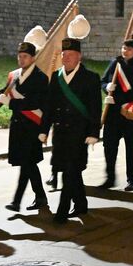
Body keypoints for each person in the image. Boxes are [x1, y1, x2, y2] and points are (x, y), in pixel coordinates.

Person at [39, 36, 101, 222]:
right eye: (64, 54)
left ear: (79, 57)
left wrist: (93, 132)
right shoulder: (56, 77)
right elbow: (49, 106)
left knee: (69, 171)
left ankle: (62, 210)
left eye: (71, 55)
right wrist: (44, 129)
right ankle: (81, 204)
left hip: (79, 133)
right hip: (60, 134)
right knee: (71, 171)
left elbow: (95, 108)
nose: (66, 58)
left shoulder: (90, 78)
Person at [0, 41, 49, 214]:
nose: (21, 60)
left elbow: (34, 102)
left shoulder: (40, 77)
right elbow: (3, 91)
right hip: (18, 127)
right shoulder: (14, 76)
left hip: (31, 126)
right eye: (19, 56)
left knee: (27, 163)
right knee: (26, 163)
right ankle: (37, 197)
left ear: (33, 58)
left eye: (25, 57)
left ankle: (19, 200)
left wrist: (11, 102)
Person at [101, 39, 133, 191]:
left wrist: (118, 99)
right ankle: (110, 178)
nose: (125, 51)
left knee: (132, 148)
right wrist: (106, 87)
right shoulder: (115, 63)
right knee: (109, 146)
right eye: (123, 48)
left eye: (128, 49)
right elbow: (103, 81)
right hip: (113, 115)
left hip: (131, 113)